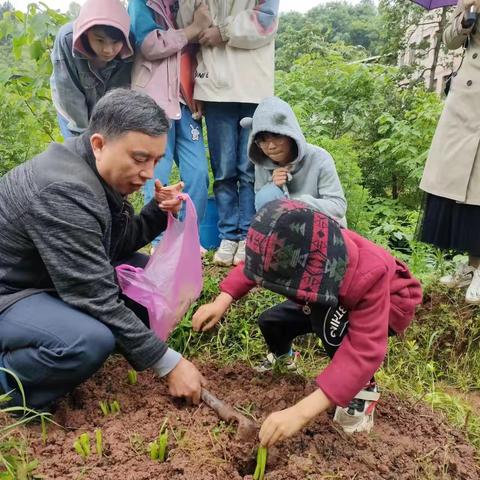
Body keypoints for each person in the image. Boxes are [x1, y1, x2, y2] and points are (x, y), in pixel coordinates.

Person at [0, 89, 204, 411]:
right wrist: (169, 363)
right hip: (11, 292)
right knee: (88, 341)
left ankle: (57, 351)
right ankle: (9, 384)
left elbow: (110, 247)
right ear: (99, 144)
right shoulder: (64, 191)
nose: (149, 173)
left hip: (48, 278)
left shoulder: (93, 169)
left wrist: (156, 212)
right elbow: (96, 297)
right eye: (139, 159)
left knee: (146, 279)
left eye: (156, 161)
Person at [192, 199, 422, 444]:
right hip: (325, 295)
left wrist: (300, 413)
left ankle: (361, 390)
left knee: (331, 330)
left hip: (391, 302)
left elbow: (364, 349)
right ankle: (285, 360)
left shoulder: (369, 273)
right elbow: (256, 266)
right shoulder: (299, 246)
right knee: (272, 321)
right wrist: (222, 300)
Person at [177, 0, 280, 266]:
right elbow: (185, 26)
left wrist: (223, 31)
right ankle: (228, 235)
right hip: (213, 87)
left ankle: (248, 235)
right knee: (222, 170)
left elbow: (266, 20)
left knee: (250, 169)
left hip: (253, 86)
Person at [129, 0, 211, 249]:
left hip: (186, 102)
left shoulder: (187, 4)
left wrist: (201, 87)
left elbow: (198, 52)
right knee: (157, 173)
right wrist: (192, 29)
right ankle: (159, 240)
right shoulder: (141, 3)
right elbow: (150, 44)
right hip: (153, 102)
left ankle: (190, 237)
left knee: (198, 173)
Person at [419, 0, 480, 304]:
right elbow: (449, 39)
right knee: (462, 188)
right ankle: (471, 267)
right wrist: (467, 17)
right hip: (465, 101)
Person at [241, 96, 347, 225]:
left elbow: (338, 206)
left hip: (323, 229)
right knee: (266, 194)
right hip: (286, 231)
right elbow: (260, 205)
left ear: (290, 135)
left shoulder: (319, 158)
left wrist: (295, 204)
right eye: (263, 140)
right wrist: (273, 185)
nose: (271, 146)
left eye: (277, 136)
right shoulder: (262, 163)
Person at [50, 0, 134, 138]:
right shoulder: (67, 39)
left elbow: (118, 95)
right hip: (72, 111)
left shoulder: (129, 44)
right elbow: (69, 94)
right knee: (79, 152)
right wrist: (84, 136)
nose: (108, 50)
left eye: (115, 42)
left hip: (106, 108)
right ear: (86, 33)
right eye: (100, 40)